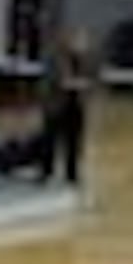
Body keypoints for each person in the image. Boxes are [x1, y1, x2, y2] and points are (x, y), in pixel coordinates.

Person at [41, 32, 99, 189]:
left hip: (77, 106)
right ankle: (47, 173)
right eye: (78, 42)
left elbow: (94, 80)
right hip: (57, 106)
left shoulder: (88, 61)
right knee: (51, 142)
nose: (81, 45)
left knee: (74, 142)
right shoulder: (56, 59)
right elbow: (58, 81)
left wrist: (82, 86)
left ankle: (72, 175)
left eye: (83, 42)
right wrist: (75, 83)